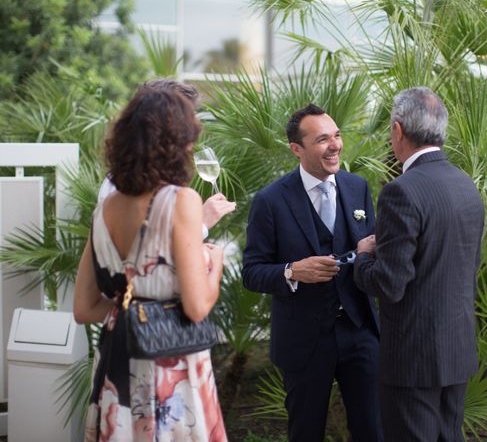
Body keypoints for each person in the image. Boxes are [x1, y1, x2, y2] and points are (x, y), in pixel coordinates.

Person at [73, 88, 232, 441]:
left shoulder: (105, 209)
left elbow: (84, 308)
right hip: (171, 376)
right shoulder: (181, 201)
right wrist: (215, 262)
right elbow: (196, 306)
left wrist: (134, 310)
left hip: (118, 371)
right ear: (176, 142)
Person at [242, 104, 384, 442]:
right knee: (305, 433)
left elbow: (371, 251)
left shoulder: (357, 187)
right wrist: (292, 271)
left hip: (359, 330)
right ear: (296, 149)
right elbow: (251, 272)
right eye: (322, 139)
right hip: (304, 339)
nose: (335, 145)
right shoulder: (270, 200)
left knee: (373, 431)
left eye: (336, 135)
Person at [354, 87, 484, 441]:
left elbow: (388, 284)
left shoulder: (401, 191)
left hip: (412, 359)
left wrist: (363, 257)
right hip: (457, 350)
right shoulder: (466, 185)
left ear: (397, 130)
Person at [97, 78, 235, 233]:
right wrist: (201, 225)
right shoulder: (179, 198)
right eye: (185, 123)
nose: (193, 134)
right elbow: (154, 252)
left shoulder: (112, 199)